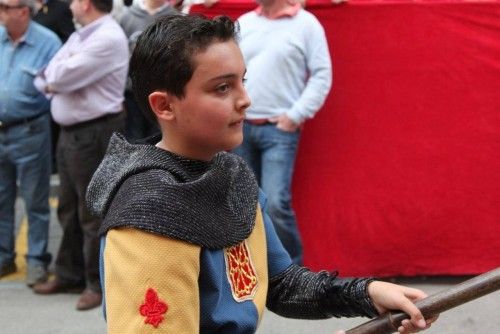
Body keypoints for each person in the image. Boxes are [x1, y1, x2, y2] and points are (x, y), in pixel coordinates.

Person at [86, 14, 436, 333]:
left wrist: (366, 293)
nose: (245, 99)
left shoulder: (231, 173)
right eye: (222, 88)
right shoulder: (148, 215)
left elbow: (280, 282)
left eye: (242, 81)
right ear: (164, 105)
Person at [32, 0, 128, 311]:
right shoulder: (82, 35)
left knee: (92, 210)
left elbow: (56, 77)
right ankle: (70, 273)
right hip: (74, 133)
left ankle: (95, 283)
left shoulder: (107, 37)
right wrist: (54, 75)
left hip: (94, 131)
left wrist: (54, 77)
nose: (69, 4)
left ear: (85, 3)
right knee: (69, 207)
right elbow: (45, 73)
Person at [233, 0, 332, 266]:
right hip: (240, 127)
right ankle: (251, 270)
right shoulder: (244, 23)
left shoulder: (306, 25)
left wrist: (296, 115)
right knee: (244, 203)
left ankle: (294, 272)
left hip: (279, 131)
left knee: (276, 203)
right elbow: (228, 71)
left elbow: (322, 74)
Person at [0, 0, 61, 286]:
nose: (0, 12)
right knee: (2, 199)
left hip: (30, 131)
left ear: (22, 11)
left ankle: (36, 259)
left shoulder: (47, 43)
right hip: (1, 131)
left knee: (35, 199)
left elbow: (58, 86)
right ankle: (4, 255)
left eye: (4, 6)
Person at [119, 0, 176, 141]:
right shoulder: (127, 17)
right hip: (132, 93)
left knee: (158, 137)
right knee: (133, 137)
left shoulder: (175, 17)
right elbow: (120, 57)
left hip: (162, 92)